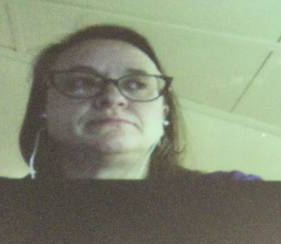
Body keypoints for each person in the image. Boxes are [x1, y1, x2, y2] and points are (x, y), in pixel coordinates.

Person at [17, 25, 257, 180]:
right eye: (82, 83)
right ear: (43, 107)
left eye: (135, 84)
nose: (112, 97)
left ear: (164, 112)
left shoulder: (239, 194)